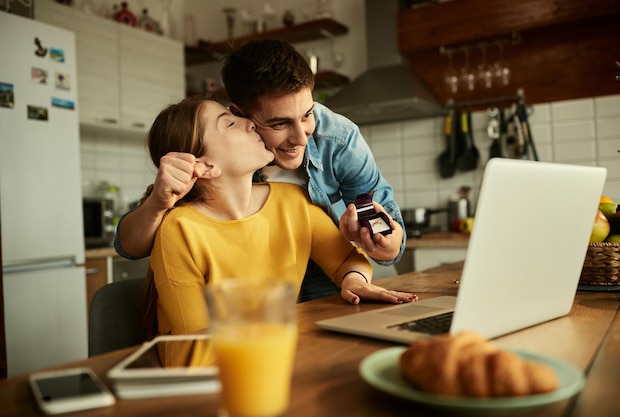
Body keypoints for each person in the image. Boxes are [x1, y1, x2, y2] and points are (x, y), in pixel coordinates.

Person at [116, 39, 406, 302]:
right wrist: (157, 202)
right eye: (280, 124)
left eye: (307, 114)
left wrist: (384, 246)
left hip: (329, 277)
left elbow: (387, 234)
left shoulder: (339, 139)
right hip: (247, 294)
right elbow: (129, 246)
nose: (302, 138)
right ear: (240, 115)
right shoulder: (222, 151)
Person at [141, 96, 417, 365]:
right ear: (204, 166)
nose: (249, 124)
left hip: (273, 358)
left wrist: (354, 281)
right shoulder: (179, 230)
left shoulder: (292, 201)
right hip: (203, 383)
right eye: (230, 123)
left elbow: (346, 259)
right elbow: (197, 348)